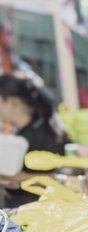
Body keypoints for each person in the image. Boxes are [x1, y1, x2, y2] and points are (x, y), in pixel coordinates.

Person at [0, 75, 67, 207]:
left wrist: (17, 178)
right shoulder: (27, 132)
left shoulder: (39, 135)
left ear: (12, 103)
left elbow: (61, 178)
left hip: (40, 210)